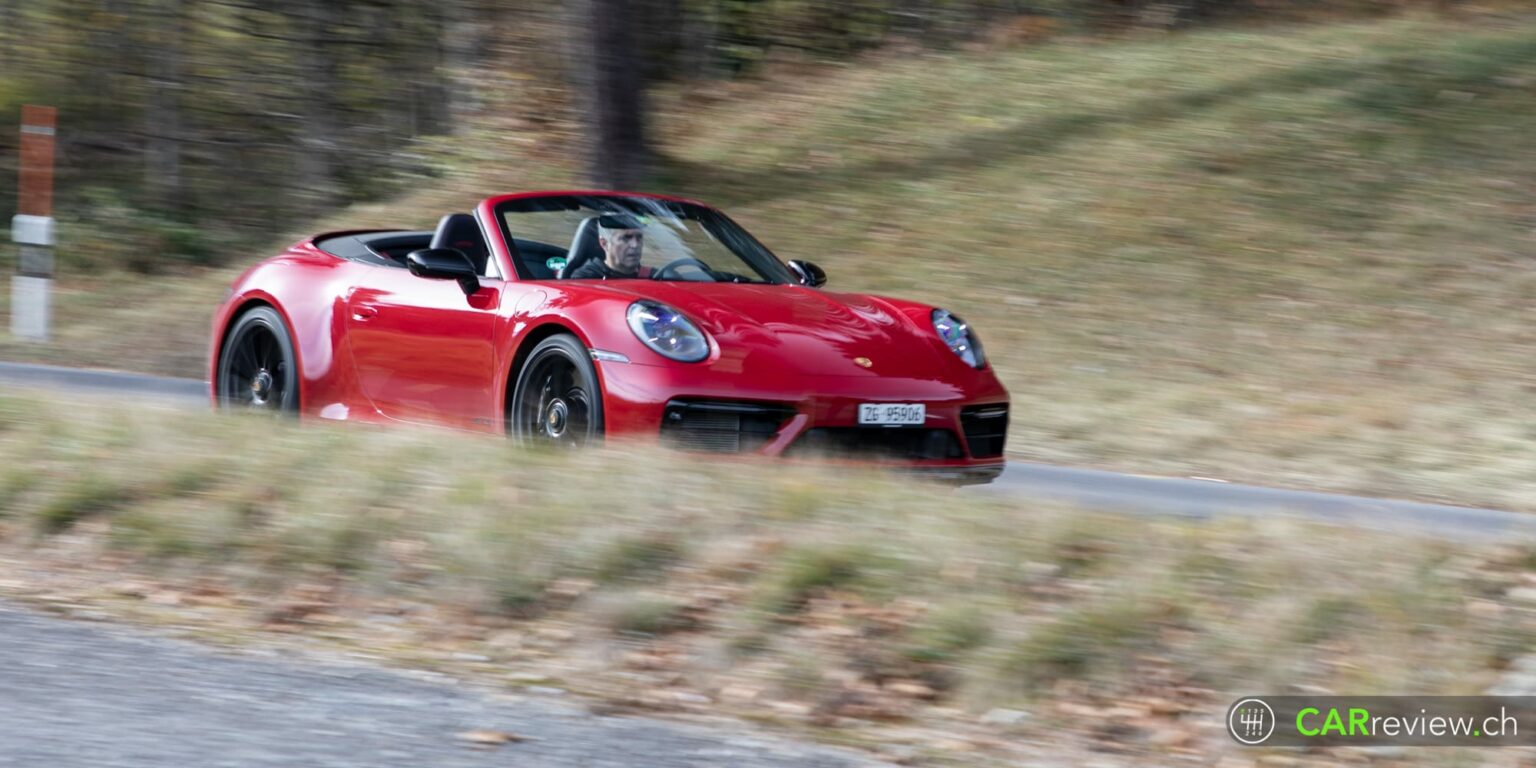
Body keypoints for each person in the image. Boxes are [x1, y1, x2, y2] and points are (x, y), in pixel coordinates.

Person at [568, 214, 652, 279]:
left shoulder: (655, 276)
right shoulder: (586, 278)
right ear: (604, 243)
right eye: (626, 238)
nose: (635, 245)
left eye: (639, 237)